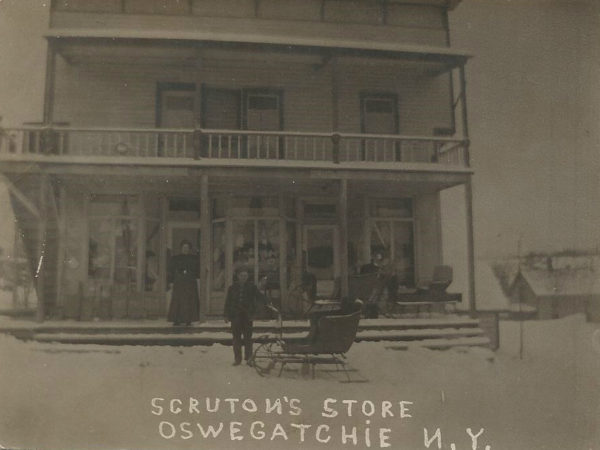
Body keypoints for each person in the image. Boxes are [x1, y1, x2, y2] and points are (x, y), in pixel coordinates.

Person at [224, 266, 269, 366]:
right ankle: (237, 359)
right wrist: (226, 315)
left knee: (248, 338)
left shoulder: (252, 287)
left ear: (248, 276)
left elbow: (259, 297)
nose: (244, 277)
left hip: (247, 316)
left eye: (245, 275)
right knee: (236, 338)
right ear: (238, 276)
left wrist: (267, 302)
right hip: (235, 316)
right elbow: (228, 302)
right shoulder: (232, 288)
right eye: (241, 275)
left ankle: (249, 358)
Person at [167, 240, 200, 326]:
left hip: (190, 283)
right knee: (178, 301)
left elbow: (197, 271)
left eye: (187, 247)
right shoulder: (175, 258)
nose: (185, 249)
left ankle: (188, 320)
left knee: (189, 301)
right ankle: (176, 319)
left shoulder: (194, 258)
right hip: (179, 283)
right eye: (184, 247)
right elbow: (171, 271)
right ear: (181, 248)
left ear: (189, 249)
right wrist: (170, 281)